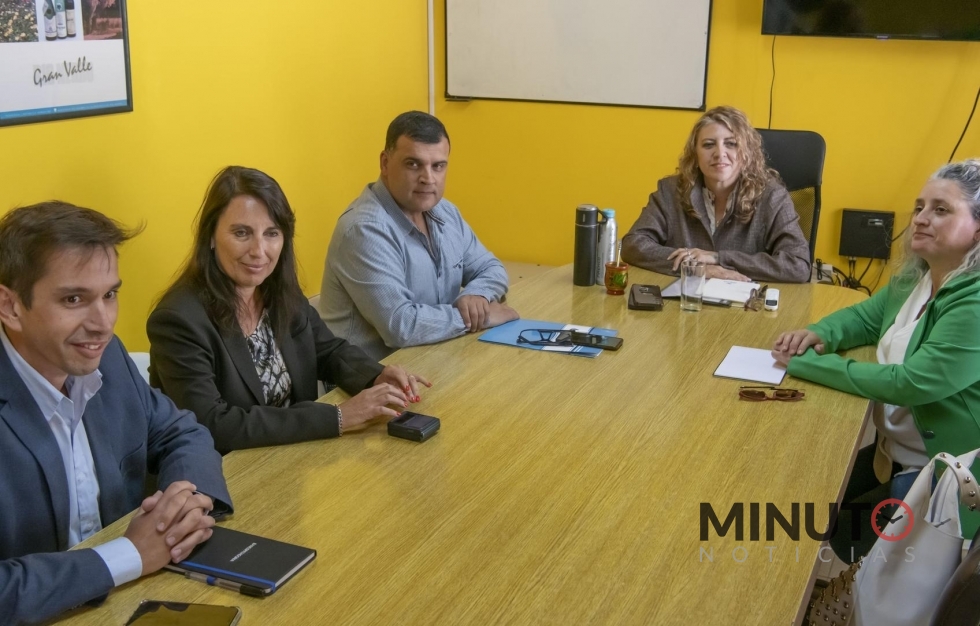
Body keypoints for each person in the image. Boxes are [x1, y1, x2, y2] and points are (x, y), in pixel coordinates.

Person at [0, 202, 232, 624]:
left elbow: (182, 432)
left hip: (135, 599)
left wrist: (183, 505)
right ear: (10, 306)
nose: (103, 323)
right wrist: (128, 554)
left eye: (109, 295)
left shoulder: (106, 357)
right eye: (74, 299)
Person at [772, 159, 980, 560]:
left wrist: (806, 364)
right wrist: (818, 333)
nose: (920, 219)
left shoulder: (974, 303)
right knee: (809, 499)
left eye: (941, 209)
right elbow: (865, 318)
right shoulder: (919, 277)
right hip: (895, 450)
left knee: (844, 542)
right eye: (919, 207)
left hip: (949, 475)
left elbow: (910, 383)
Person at [147, 166, 429, 455]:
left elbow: (328, 351)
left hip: (292, 458)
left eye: (272, 233)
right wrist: (338, 417)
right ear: (210, 236)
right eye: (241, 233)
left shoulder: (278, 292)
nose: (259, 251)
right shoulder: (177, 321)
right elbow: (213, 424)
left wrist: (376, 377)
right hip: (225, 472)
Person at [319, 110, 518, 361]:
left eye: (438, 166)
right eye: (413, 164)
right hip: (371, 376)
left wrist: (476, 295)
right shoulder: (364, 229)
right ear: (385, 163)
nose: (428, 178)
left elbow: (491, 268)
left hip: (434, 359)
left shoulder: (446, 212)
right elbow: (401, 326)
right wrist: (477, 317)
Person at [621, 105, 811, 283]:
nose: (720, 153)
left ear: (747, 152)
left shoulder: (772, 196)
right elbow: (633, 245)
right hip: (684, 301)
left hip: (748, 303)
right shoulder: (671, 191)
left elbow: (797, 265)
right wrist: (696, 269)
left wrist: (718, 258)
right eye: (708, 144)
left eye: (731, 144)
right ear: (695, 153)